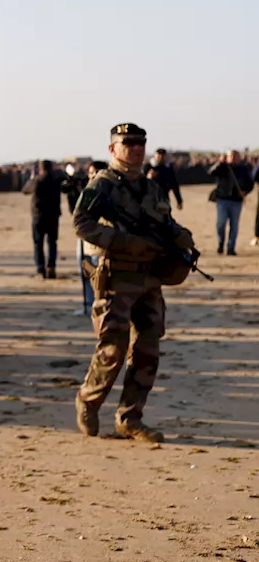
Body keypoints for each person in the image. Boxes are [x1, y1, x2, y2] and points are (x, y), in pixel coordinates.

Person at [73, 123, 194, 443]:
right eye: (128, 142)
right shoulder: (102, 185)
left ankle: (130, 417)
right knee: (112, 348)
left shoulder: (151, 186)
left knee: (147, 351)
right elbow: (81, 222)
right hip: (117, 277)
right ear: (113, 148)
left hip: (150, 279)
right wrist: (123, 241)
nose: (136, 148)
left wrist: (179, 235)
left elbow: (163, 222)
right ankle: (89, 399)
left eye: (141, 142)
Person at [74, 161, 107, 316]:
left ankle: (100, 305)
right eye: (91, 173)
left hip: (100, 239)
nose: (93, 176)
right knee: (85, 270)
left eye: (96, 172)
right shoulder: (86, 190)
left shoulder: (108, 191)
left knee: (99, 274)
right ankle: (88, 304)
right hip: (84, 237)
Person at [22, 160, 65, 279]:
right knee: (52, 242)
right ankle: (51, 266)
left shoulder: (37, 180)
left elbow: (25, 190)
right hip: (53, 215)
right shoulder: (56, 180)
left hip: (38, 215)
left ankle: (40, 267)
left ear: (40, 169)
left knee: (38, 242)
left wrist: (31, 178)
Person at [208, 150, 252, 255]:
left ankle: (231, 248)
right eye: (231, 156)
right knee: (221, 223)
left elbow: (250, 184)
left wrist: (245, 192)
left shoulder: (243, 169)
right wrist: (220, 162)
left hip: (236, 201)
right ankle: (220, 243)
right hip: (223, 199)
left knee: (234, 225)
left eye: (235, 156)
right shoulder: (223, 167)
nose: (233, 158)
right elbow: (211, 172)